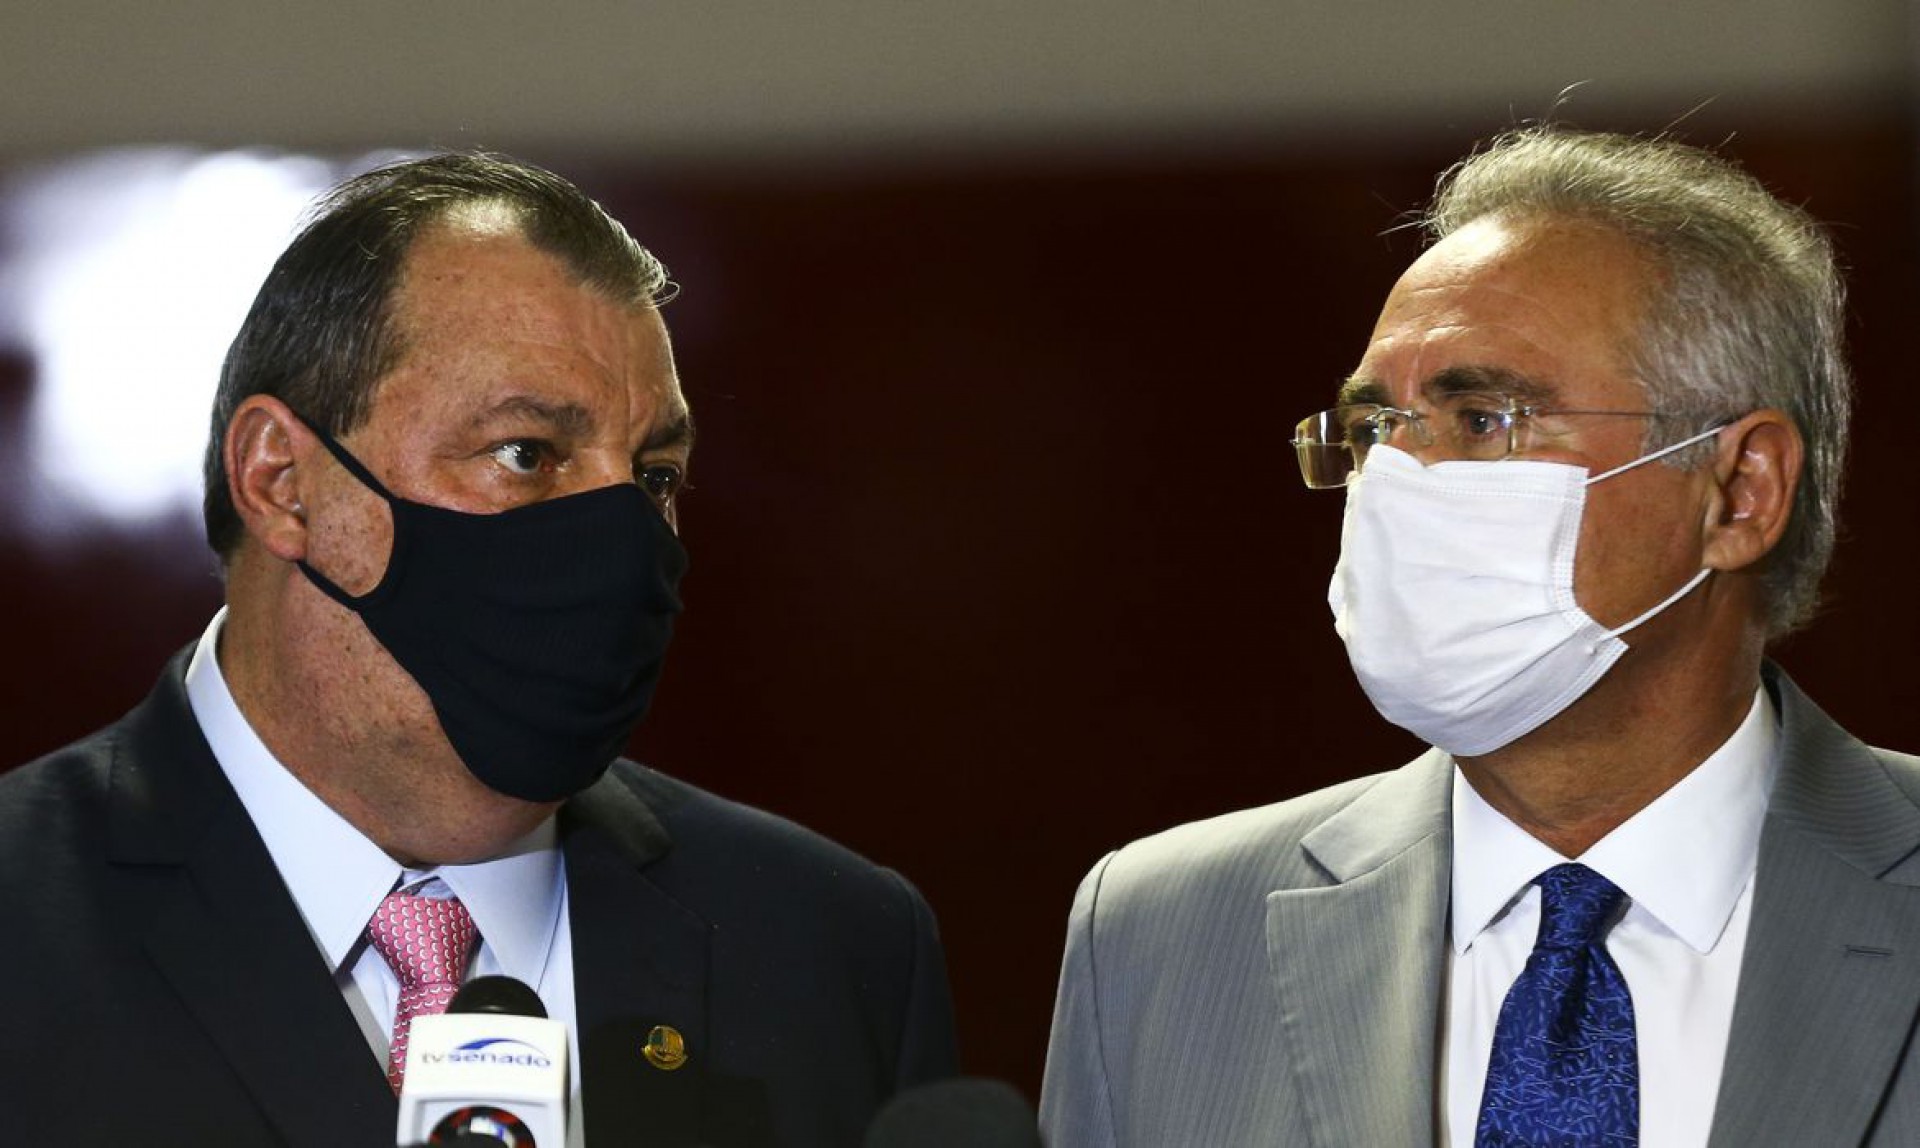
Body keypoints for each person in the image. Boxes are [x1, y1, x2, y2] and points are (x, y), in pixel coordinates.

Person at [0, 152, 957, 1146]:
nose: (622, 538)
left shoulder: (833, 949)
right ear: (282, 481)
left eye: (654, 476)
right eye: (526, 454)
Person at [1040, 126, 1920, 1146]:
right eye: (1375, 429)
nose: (1397, 485)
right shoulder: (1160, 935)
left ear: (1741, 490)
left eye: (1485, 420)